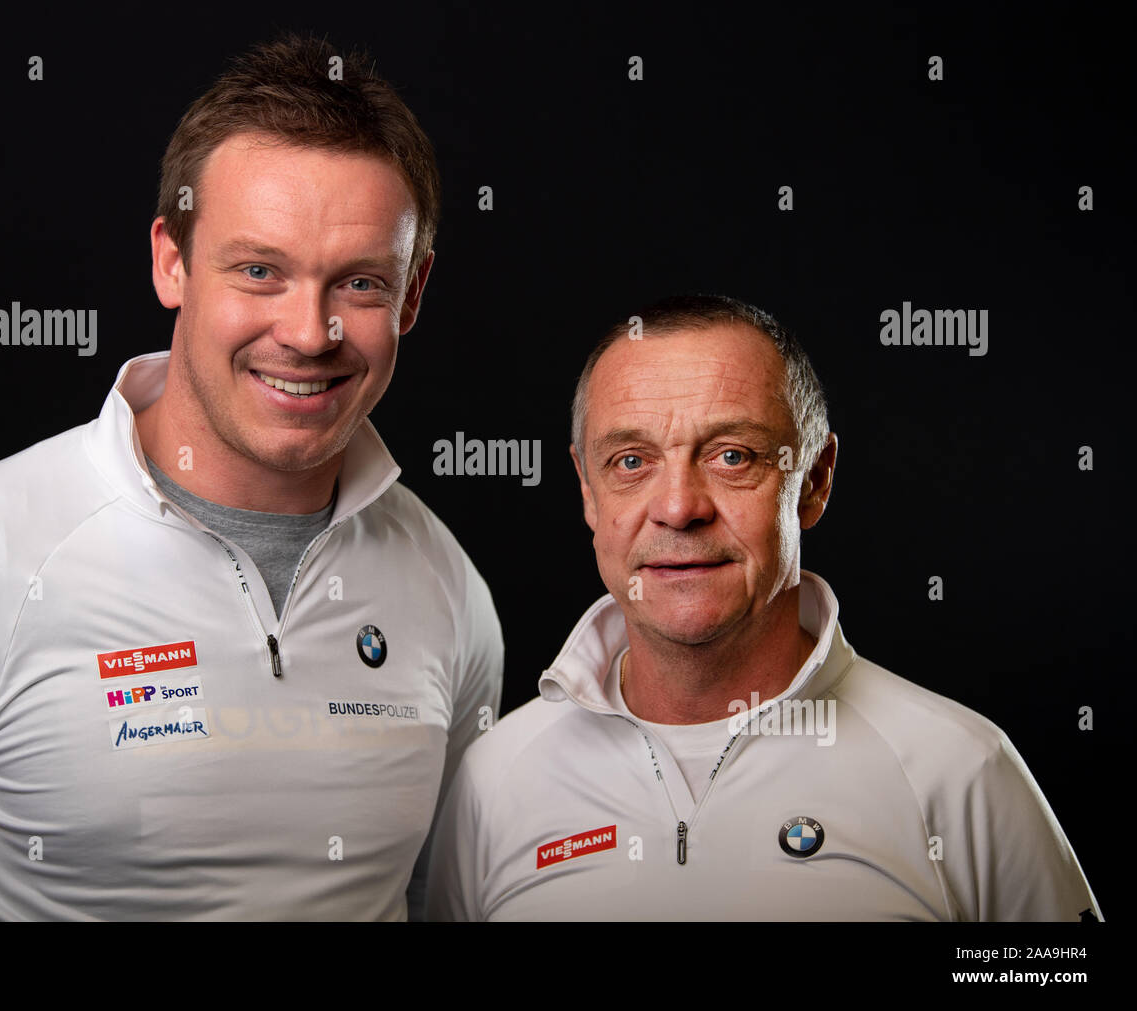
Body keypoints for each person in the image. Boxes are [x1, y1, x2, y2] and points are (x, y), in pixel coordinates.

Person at [0, 35, 502, 921]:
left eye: (358, 283)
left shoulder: (449, 589)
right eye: (259, 270)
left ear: (411, 295)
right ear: (171, 261)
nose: (309, 332)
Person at [425, 294, 1099, 921]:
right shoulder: (496, 778)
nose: (678, 506)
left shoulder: (959, 771)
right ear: (588, 493)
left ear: (815, 479)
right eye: (631, 461)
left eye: (732, 455)